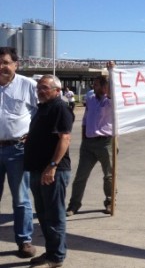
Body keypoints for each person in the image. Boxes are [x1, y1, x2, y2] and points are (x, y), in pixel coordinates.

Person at [24, 74, 74, 268]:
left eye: (45, 87)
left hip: (53, 171)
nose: (40, 91)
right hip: (37, 169)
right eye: (39, 88)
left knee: (54, 215)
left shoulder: (60, 108)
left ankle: (56, 257)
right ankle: (51, 252)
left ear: (57, 90)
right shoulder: (44, 107)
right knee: (44, 214)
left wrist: (52, 166)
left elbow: (65, 139)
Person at [0, 46, 37, 258]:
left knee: (21, 198)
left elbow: (43, 113)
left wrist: (34, 137)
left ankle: (24, 241)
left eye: (6, 62)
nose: (2, 67)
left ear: (16, 64)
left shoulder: (28, 85)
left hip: (17, 150)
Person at [67, 73, 114, 216]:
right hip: (88, 143)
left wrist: (111, 70)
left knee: (109, 176)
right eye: (94, 84)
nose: (93, 86)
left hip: (105, 142)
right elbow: (86, 120)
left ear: (105, 87)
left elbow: (112, 91)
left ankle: (110, 202)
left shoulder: (110, 101)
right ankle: (74, 205)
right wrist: (84, 139)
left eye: (97, 84)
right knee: (81, 176)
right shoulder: (91, 99)